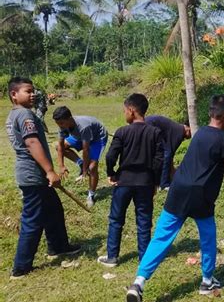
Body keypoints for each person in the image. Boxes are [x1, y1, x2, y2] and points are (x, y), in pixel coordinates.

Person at [125, 95, 224, 302]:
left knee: (161, 237)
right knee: (208, 238)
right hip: (202, 196)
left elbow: (216, 161)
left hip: (178, 189)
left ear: (210, 113)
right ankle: (207, 281)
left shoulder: (199, 135)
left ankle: (138, 283)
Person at [5, 77, 80, 279]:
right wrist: (49, 171)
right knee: (33, 219)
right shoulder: (24, 115)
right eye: (27, 91)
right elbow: (32, 143)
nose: (32, 94)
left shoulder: (14, 114)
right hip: (33, 174)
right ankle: (20, 268)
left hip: (34, 174)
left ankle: (58, 247)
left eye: (33, 91)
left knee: (54, 210)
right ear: (14, 94)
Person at [98, 94, 164, 267]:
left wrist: (111, 173)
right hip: (146, 182)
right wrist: (155, 181)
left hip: (124, 182)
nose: (124, 114)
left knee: (116, 219)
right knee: (143, 221)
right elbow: (159, 161)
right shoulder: (155, 132)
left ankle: (112, 257)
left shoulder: (122, 132)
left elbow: (111, 156)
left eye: (125, 111)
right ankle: (144, 258)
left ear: (132, 111)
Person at [52, 106, 108, 208]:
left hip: (97, 138)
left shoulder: (83, 126)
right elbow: (60, 146)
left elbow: (85, 149)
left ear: (69, 119)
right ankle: (80, 163)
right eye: (58, 124)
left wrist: (85, 170)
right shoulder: (63, 126)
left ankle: (91, 195)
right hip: (80, 137)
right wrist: (61, 166)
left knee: (92, 167)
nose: (60, 126)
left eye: (61, 123)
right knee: (59, 147)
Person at [145, 115, 191, 190]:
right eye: (191, 133)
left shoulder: (178, 129)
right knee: (167, 154)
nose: (191, 136)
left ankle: (158, 181)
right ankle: (164, 184)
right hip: (150, 125)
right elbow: (170, 155)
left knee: (163, 154)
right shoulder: (180, 132)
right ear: (188, 128)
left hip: (150, 125)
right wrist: (173, 173)